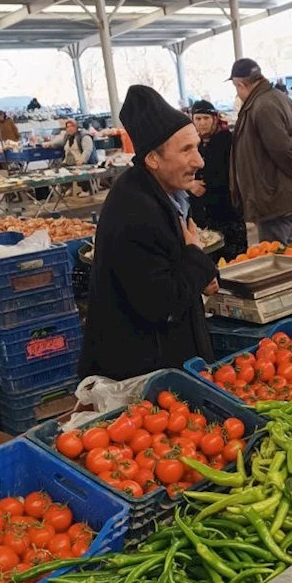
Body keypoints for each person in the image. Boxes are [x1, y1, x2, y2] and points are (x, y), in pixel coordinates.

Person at [80, 85, 217, 382]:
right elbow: (163, 303)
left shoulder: (165, 192)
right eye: (186, 150)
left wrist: (199, 271)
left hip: (163, 361)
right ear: (153, 158)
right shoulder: (135, 212)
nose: (199, 161)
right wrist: (196, 259)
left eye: (196, 146)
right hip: (140, 374)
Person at [228, 58, 292, 246]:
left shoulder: (262, 106)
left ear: (240, 84)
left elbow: (283, 150)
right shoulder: (280, 98)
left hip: (273, 197)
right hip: (278, 195)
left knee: (280, 259)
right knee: (290, 253)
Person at [187, 99, 247, 262]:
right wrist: (191, 185)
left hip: (227, 209)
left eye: (206, 118)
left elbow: (232, 171)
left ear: (214, 119)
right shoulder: (190, 143)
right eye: (198, 119)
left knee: (234, 259)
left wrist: (209, 185)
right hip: (201, 213)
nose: (202, 123)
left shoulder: (228, 141)